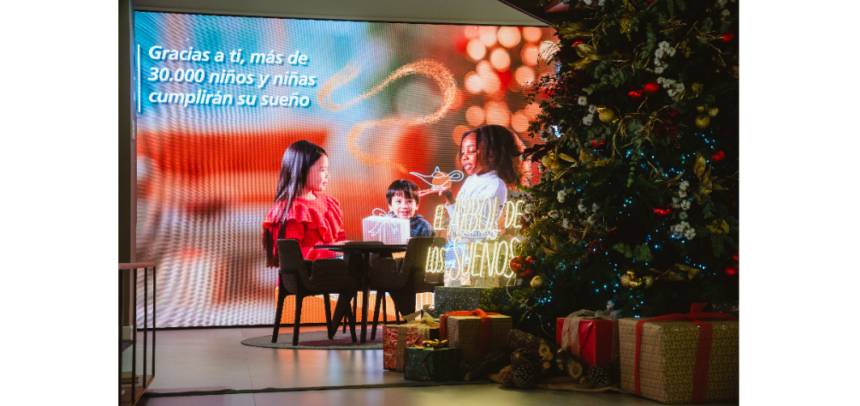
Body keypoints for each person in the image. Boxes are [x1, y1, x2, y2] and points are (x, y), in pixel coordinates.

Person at [418, 125, 523, 241]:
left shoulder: (495, 184)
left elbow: (476, 229)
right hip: (458, 249)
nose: (464, 157)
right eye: (462, 152)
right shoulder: (470, 180)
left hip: (476, 252)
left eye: (471, 151)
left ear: (491, 155)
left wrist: (450, 198)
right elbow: (459, 220)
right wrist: (449, 198)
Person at [262, 141, 346, 267]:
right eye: (322, 170)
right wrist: (332, 252)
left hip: (330, 277)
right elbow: (290, 257)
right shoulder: (291, 211)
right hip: (304, 283)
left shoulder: (328, 203)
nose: (328, 175)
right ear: (302, 170)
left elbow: (338, 239)